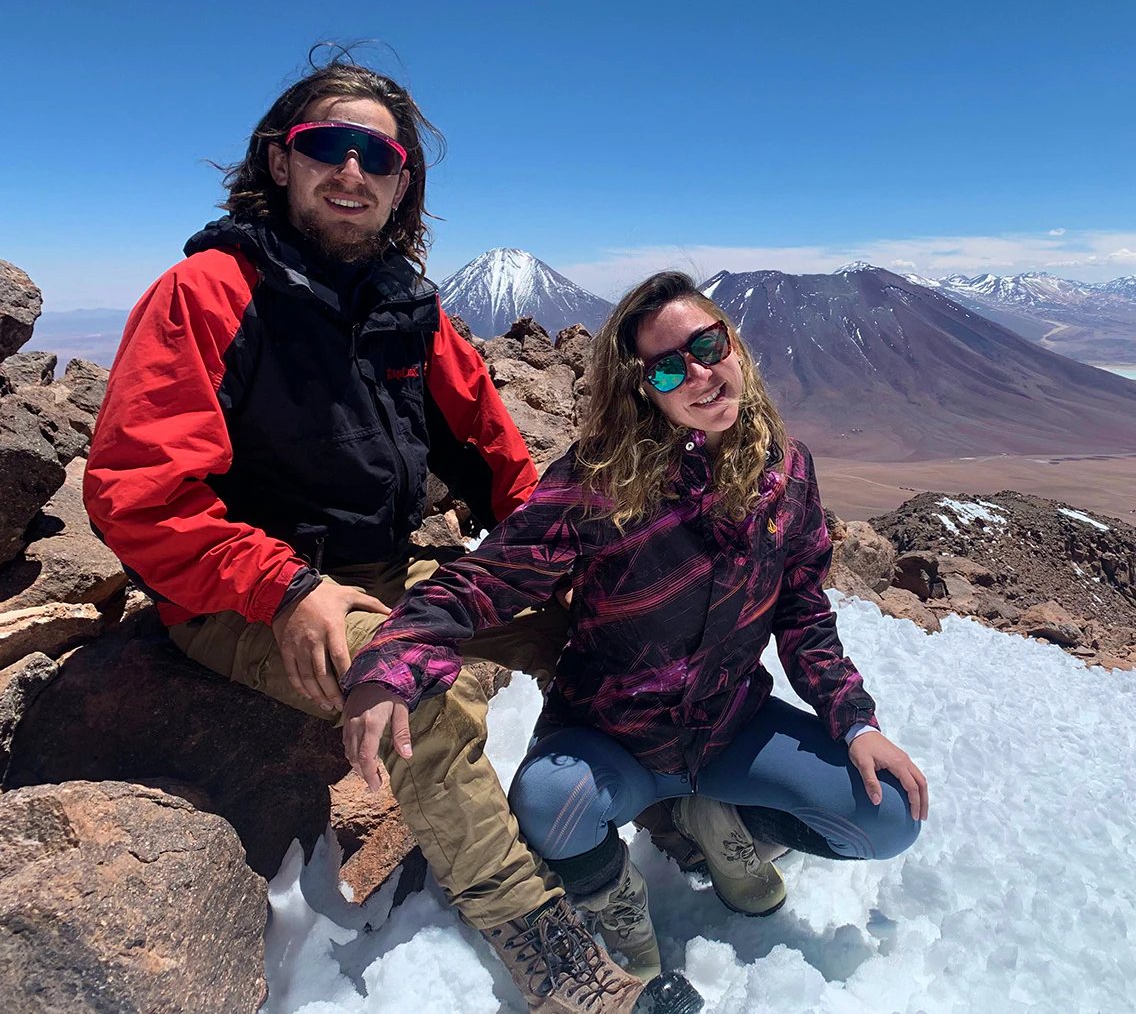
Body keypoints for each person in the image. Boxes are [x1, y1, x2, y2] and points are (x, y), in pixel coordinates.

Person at [82, 55, 698, 1014]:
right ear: (280, 161)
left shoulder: (406, 309)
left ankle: (670, 812)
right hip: (244, 594)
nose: (352, 171)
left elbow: (492, 453)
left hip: (380, 570)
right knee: (418, 685)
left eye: (380, 156)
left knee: (605, 622)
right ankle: (551, 957)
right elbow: (138, 494)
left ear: (402, 183)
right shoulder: (208, 292)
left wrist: (567, 567)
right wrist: (284, 585)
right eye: (327, 145)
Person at [342, 270, 929, 980]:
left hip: (727, 726)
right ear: (643, 388)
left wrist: (855, 722)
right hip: (614, 734)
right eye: (669, 368)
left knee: (890, 814)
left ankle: (721, 820)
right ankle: (615, 897)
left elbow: (802, 610)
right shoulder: (599, 482)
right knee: (549, 801)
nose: (701, 375)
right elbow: (489, 577)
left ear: (734, 345)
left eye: (708, 346)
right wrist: (396, 653)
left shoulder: (787, 472)